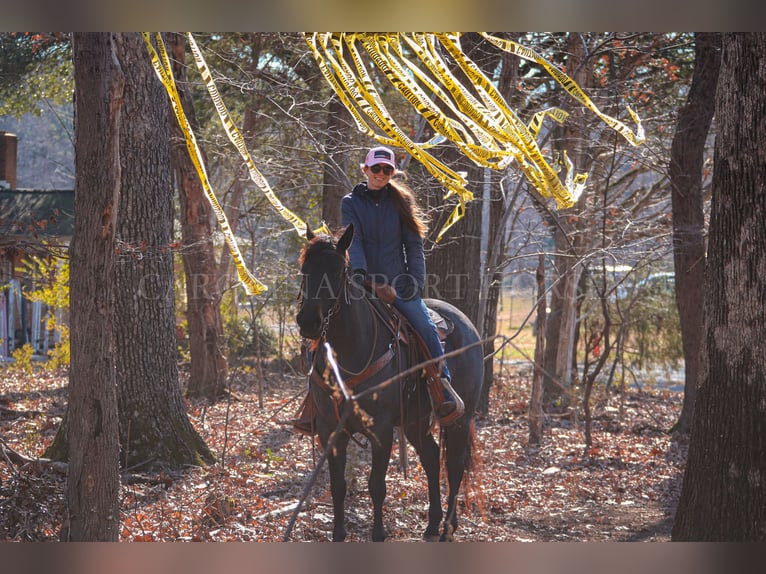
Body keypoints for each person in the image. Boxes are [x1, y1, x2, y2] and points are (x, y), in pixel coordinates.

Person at [341, 145, 464, 424]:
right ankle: (315, 399)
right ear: (365, 169)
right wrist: (358, 272)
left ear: (392, 172)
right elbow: (353, 239)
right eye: (376, 169)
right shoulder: (350, 202)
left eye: (387, 170)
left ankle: (442, 387)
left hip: (398, 285)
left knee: (425, 325)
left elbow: (414, 246)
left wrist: (414, 281)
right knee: (325, 323)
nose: (381, 174)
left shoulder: (401, 202)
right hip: (361, 282)